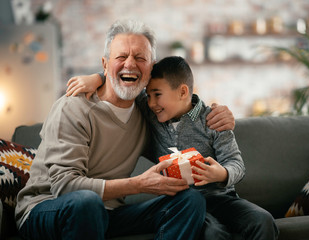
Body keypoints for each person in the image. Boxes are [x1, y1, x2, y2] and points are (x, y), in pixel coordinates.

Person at [15, 20, 235, 240]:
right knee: (86, 203)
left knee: (189, 201)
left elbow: (181, 125)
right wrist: (137, 185)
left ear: (151, 69)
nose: (130, 64)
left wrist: (213, 115)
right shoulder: (73, 107)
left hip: (109, 214)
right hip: (48, 208)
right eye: (121, 57)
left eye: (140, 58)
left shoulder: (146, 111)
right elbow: (64, 186)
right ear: (104, 64)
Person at [67, 56, 280, 239]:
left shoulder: (212, 120)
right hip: (183, 203)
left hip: (220, 198)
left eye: (157, 94)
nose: (150, 102)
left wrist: (222, 173)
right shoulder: (150, 113)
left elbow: (236, 164)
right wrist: (97, 78)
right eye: (148, 95)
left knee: (263, 220)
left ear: (183, 91)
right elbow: (122, 81)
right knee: (213, 234)